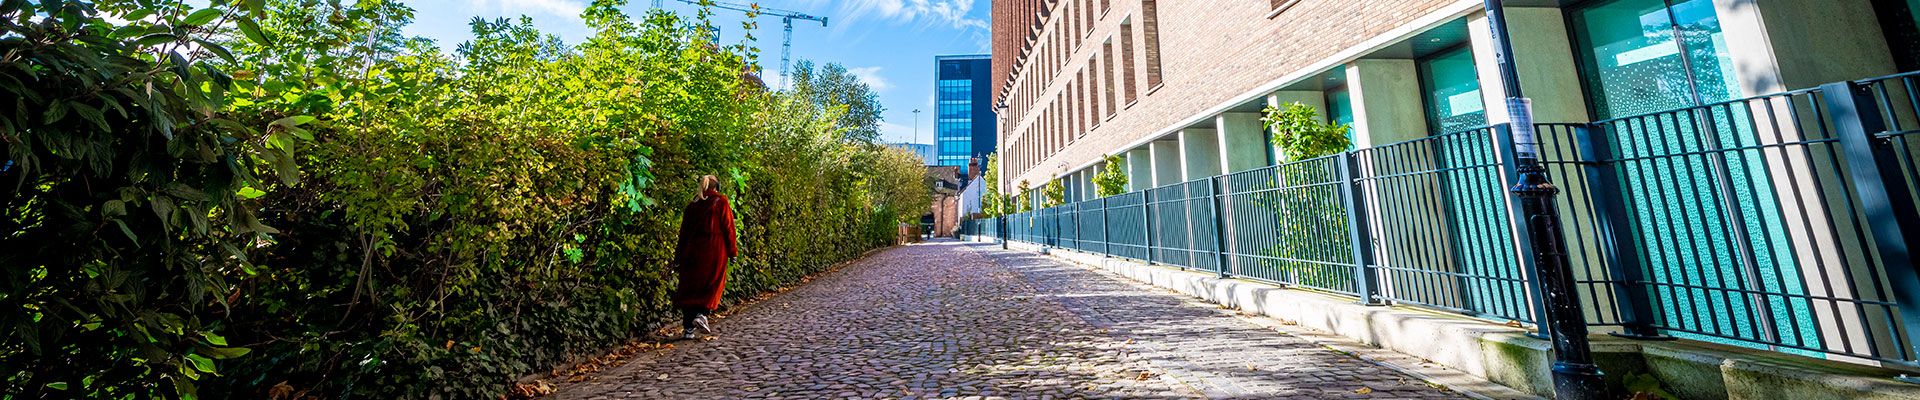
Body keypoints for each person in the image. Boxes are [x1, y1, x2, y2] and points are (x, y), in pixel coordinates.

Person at [672, 175, 738, 340]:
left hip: (691, 251)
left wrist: (678, 256)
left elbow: (683, 233)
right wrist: (733, 252)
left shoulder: (692, 206)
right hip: (713, 250)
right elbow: (728, 228)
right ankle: (702, 315)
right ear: (717, 188)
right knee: (712, 283)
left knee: (690, 286)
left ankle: (688, 328)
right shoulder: (721, 202)